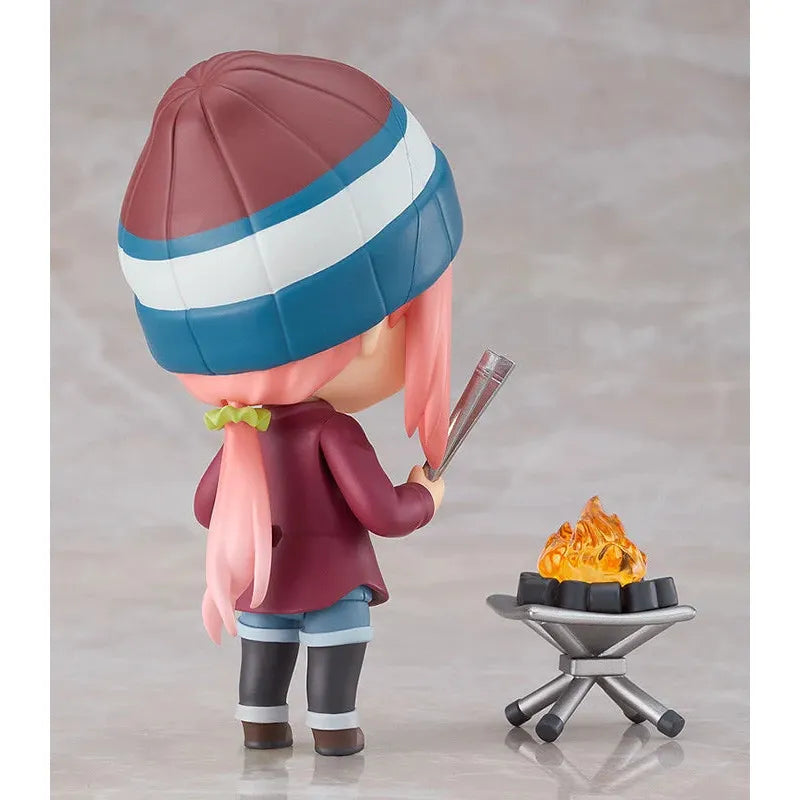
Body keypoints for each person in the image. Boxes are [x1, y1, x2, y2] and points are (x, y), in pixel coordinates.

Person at [118, 50, 462, 756]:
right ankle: (334, 734)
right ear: (377, 324)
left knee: (264, 660)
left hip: (262, 586)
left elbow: (206, 508)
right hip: (331, 585)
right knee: (334, 662)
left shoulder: (243, 434)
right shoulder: (334, 434)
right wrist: (425, 496)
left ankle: (261, 726)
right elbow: (382, 513)